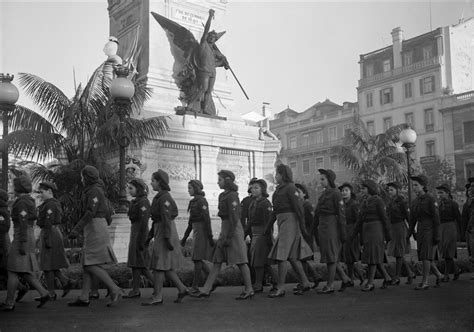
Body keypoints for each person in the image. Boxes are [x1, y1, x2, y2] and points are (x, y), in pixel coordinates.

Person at [67, 165, 122, 307]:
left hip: (95, 227)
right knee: (87, 263)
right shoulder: (93, 190)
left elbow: (91, 211)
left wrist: (76, 229)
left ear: (86, 177)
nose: (81, 179)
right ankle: (84, 297)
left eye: (82, 176)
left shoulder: (95, 191)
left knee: (89, 263)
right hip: (93, 227)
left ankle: (114, 288)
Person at [197, 170, 253, 300]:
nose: (218, 182)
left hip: (233, 230)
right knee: (217, 260)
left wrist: (229, 236)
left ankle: (249, 289)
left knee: (241, 261)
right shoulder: (223, 195)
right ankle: (206, 288)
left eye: (220, 179)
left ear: (227, 180)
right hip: (225, 228)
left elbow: (234, 218)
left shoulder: (232, 196)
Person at [3, 176, 50, 311]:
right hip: (26, 235)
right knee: (23, 271)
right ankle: (44, 293)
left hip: (21, 236)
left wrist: (22, 243)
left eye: (14, 185)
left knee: (12, 270)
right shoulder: (29, 200)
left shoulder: (22, 202)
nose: (12, 187)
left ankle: (9, 302)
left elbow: (22, 222)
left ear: (19, 187)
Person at [142, 170, 189, 305]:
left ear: (160, 182)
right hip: (161, 230)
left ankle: (157, 296)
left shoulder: (164, 198)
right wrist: (149, 236)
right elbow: (156, 220)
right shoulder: (159, 197)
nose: (151, 183)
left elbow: (166, 219)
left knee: (159, 265)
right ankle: (182, 289)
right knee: (165, 266)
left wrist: (167, 238)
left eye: (153, 181)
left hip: (165, 232)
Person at [266, 164, 313, 298]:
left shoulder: (291, 188)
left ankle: (281, 287)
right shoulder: (278, 191)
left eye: (277, 174)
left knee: (282, 255)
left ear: (283, 175)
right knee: (292, 257)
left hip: (290, 221)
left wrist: (302, 227)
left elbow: (298, 209)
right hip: (283, 222)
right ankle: (305, 282)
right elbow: (275, 211)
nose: (276, 176)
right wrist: (268, 226)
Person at [314, 169, 351, 294]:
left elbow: (341, 215)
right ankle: (345, 279)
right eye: (321, 179)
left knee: (331, 257)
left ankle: (330, 285)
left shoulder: (336, 194)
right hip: (324, 226)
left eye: (323, 179)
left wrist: (343, 233)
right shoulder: (324, 194)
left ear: (329, 179)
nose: (321, 181)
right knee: (330, 255)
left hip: (331, 226)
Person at [352, 180, 392, 291]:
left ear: (370, 188)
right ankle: (387, 277)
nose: (362, 190)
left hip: (376, 229)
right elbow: (360, 219)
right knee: (372, 255)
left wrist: (388, 235)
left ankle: (370, 283)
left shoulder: (378, 201)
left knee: (372, 257)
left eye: (364, 188)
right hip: (367, 230)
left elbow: (384, 218)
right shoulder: (364, 201)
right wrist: (354, 233)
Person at [36, 182, 72, 300]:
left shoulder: (51, 204)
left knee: (47, 266)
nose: (40, 194)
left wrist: (46, 238)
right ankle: (66, 282)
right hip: (50, 232)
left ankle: (51, 293)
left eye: (42, 192)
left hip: (50, 232)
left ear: (49, 191)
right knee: (51, 264)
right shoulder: (48, 203)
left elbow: (49, 220)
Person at [408, 175, 443, 290]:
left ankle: (425, 282)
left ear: (423, 186)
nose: (414, 187)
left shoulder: (430, 199)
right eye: (413, 185)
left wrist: (437, 235)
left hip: (430, 229)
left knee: (426, 257)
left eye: (416, 185)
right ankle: (439, 275)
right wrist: (409, 233)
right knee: (425, 256)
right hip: (421, 230)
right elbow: (412, 219)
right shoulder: (415, 201)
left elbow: (436, 219)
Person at [180, 180, 213, 296]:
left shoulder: (201, 201)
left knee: (197, 259)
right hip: (196, 231)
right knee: (196, 259)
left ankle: (195, 286)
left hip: (201, 232)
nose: (188, 190)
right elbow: (190, 222)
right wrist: (184, 237)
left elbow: (207, 219)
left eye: (190, 188)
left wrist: (210, 236)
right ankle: (214, 280)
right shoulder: (193, 201)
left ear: (196, 188)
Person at [193, 9, 229, 115]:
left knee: (209, 91)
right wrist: (210, 16)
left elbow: (214, 64)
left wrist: (224, 64)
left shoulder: (214, 51)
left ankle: (206, 109)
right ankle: (191, 105)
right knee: (203, 88)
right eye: (211, 37)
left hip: (212, 72)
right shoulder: (203, 44)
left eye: (214, 38)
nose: (213, 39)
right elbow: (206, 29)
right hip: (204, 72)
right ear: (208, 37)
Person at [123, 178, 154, 299]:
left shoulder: (144, 202)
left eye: (131, 188)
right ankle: (135, 290)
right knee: (134, 263)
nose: (128, 190)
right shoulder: (134, 202)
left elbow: (144, 220)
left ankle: (158, 285)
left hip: (141, 233)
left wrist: (142, 240)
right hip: (134, 231)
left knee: (141, 264)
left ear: (139, 189)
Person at [246, 179, 277, 293]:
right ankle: (274, 281)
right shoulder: (253, 203)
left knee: (260, 262)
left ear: (262, 190)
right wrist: (244, 233)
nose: (253, 190)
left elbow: (268, 222)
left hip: (262, 235)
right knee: (259, 261)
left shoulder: (265, 203)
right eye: (252, 187)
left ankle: (259, 284)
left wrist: (268, 237)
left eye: (256, 188)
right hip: (255, 234)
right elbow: (249, 221)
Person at [385, 182, 415, 285]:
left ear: (397, 190)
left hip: (400, 227)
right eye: (389, 190)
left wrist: (412, 231)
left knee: (399, 253)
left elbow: (407, 216)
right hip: (393, 228)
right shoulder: (390, 202)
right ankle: (410, 273)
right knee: (398, 254)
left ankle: (397, 277)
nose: (390, 192)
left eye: (392, 190)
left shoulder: (402, 201)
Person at [294, 183, 320, 292]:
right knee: (302, 260)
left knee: (302, 259)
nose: (297, 194)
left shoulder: (307, 205)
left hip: (306, 235)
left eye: (299, 192)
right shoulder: (298, 205)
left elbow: (312, 222)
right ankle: (314, 277)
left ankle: (304, 282)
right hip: (299, 235)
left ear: (304, 194)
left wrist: (310, 235)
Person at [338, 182, 363, 289]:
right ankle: (356, 276)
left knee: (350, 256)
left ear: (350, 192)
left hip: (352, 230)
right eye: (342, 191)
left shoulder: (354, 204)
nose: (344, 193)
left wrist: (356, 233)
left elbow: (359, 220)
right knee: (346, 257)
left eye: (346, 190)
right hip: (343, 230)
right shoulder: (341, 204)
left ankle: (351, 279)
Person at [435, 183, 462, 282]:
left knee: (448, 251)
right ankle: (456, 270)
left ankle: (446, 275)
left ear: (447, 193)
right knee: (445, 253)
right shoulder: (439, 204)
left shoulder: (453, 204)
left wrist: (460, 233)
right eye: (438, 193)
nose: (440, 195)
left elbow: (458, 219)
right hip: (442, 228)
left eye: (441, 193)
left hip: (450, 227)